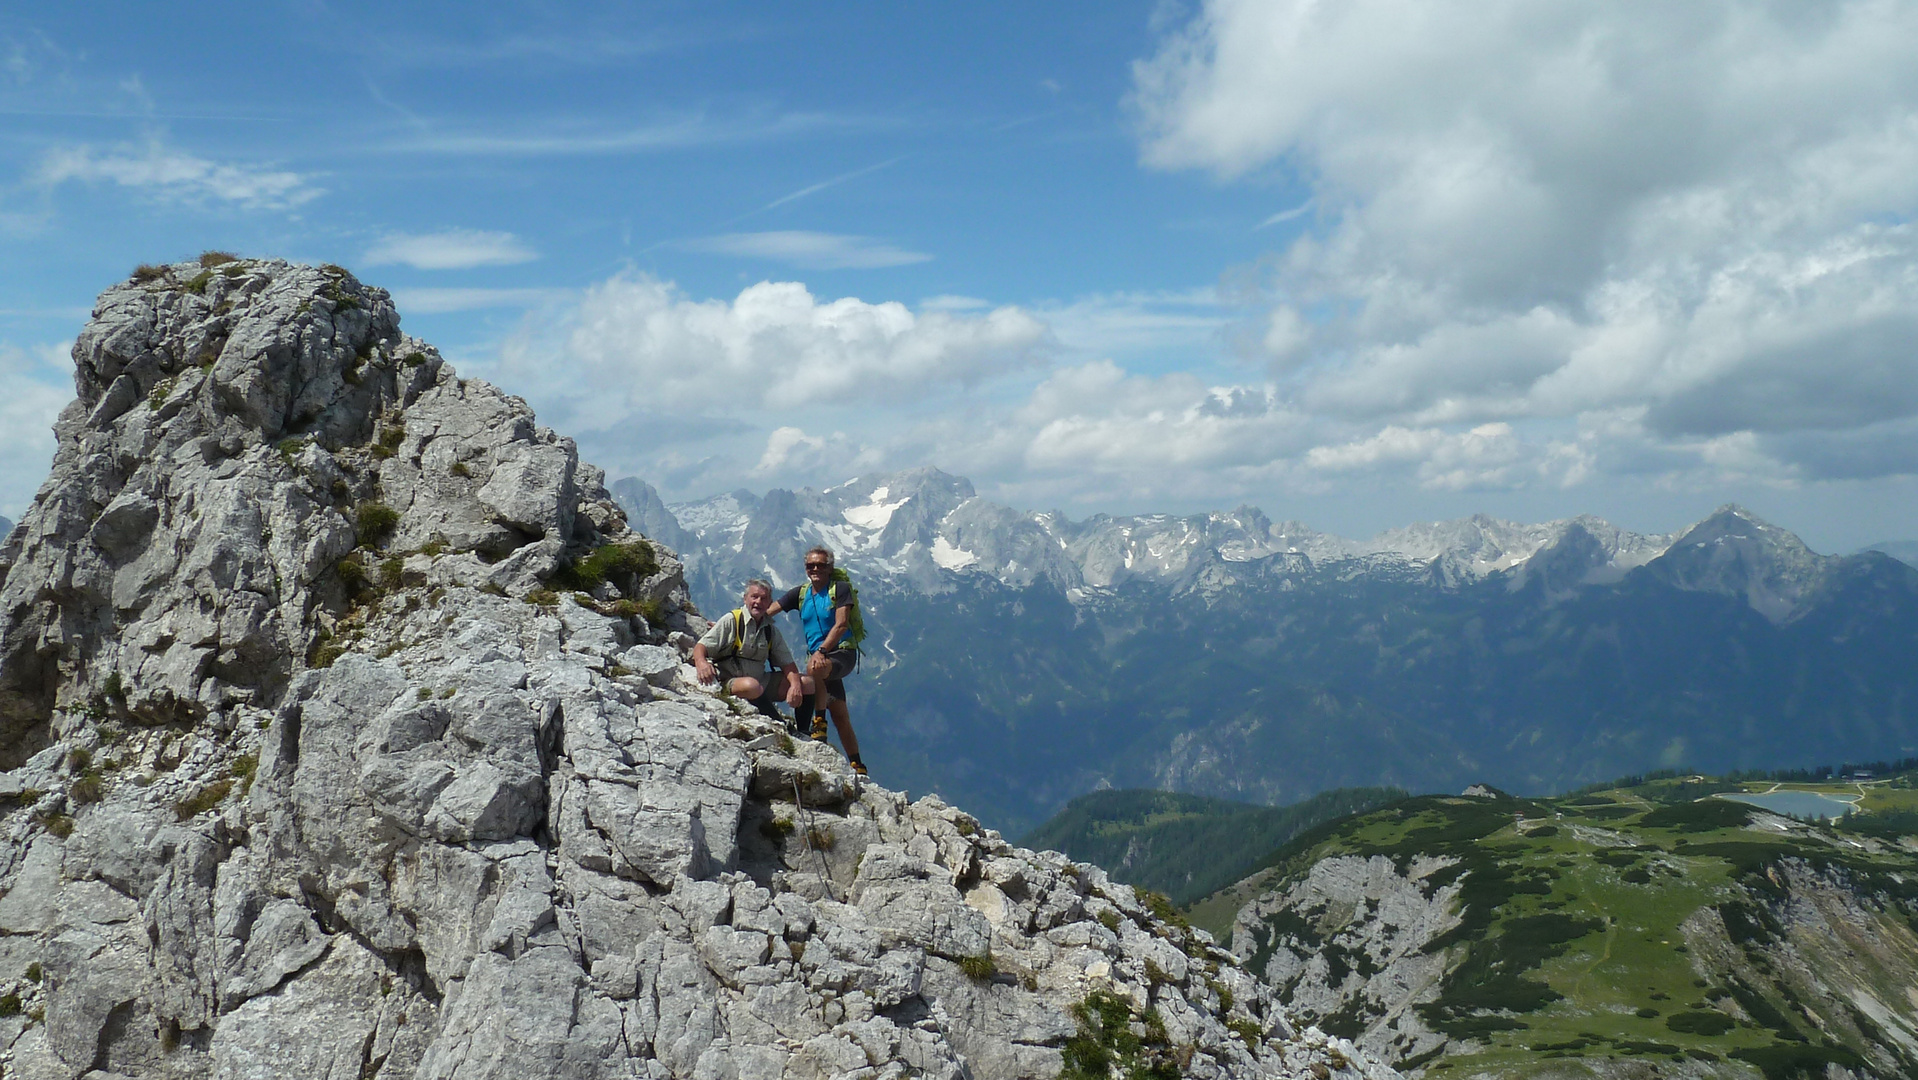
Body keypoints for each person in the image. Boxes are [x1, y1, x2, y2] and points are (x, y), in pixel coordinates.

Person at [769, 546, 865, 776]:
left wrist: (821, 650)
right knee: (840, 713)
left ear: (830, 568)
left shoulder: (839, 589)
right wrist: (733, 621)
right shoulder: (800, 594)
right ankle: (857, 764)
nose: (815, 569)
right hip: (821, 659)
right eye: (810, 565)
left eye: (820, 565)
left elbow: (841, 624)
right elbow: (766, 611)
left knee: (813, 668)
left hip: (841, 653)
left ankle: (818, 722)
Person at [693, 580, 803, 719]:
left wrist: (795, 685)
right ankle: (780, 723)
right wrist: (701, 662)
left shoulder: (770, 630)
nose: (758, 602)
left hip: (761, 682)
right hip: (731, 681)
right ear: (745, 599)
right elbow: (701, 646)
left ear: (770, 603)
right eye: (754, 597)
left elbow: (788, 664)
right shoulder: (732, 620)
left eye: (763, 599)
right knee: (751, 685)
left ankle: (803, 731)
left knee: (806, 683)